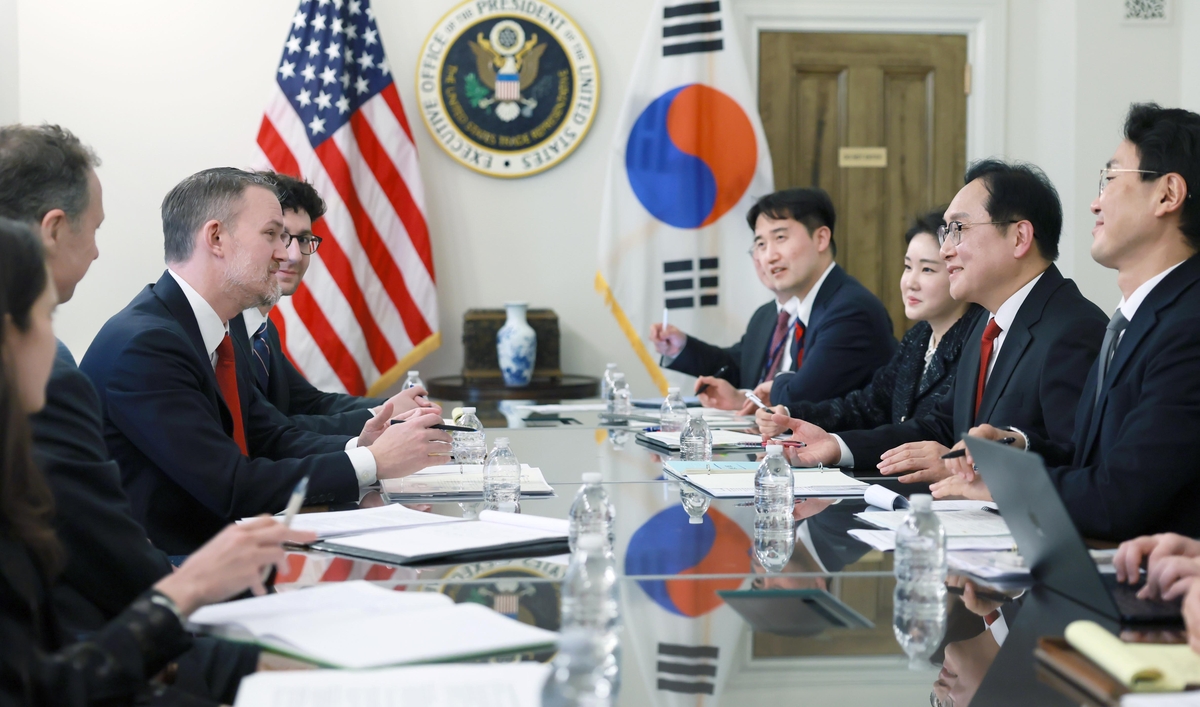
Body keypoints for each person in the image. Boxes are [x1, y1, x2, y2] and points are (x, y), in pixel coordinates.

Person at [0, 216, 316, 706]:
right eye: (46, 318)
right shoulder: (141, 341)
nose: (56, 345)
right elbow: (48, 688)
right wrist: (182, 592)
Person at [80, 168, 450, 554]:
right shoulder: (147, 345)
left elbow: (270, 436)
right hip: (164, 572)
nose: (285, 252)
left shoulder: (208, 330)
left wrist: (363, 444)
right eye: (272, 234)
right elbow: (231, 486)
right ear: (216, 238)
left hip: (223, 553)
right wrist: (373, 461)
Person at [942, 105, 1200, 541]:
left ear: (1167, 194)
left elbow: (1121, 496)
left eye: (1111, 178)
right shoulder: (1134, 320)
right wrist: (1015, 447)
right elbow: (1091, 460)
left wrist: (1008, 487)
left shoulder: (1188, 326)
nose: (1095, 202)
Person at [769, 160, 1107, 482]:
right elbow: (940, 428)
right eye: (946, 232)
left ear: (1019, 237)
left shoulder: (1073, 329)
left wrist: (972, 467)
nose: (946, 250)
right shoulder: (986, 323)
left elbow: (1077, 462)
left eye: (958, 229)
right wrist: (838, 446)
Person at [649, 188, 896, 413]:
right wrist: (682, 348)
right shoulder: (798, 308)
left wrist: (747, 398)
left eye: (780, 238)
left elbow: (803, 395)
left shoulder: (850, 309)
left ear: (821, 239)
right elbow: (742, 365)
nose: (769, 256)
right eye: (760, 244)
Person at [229, 172, 434, 436]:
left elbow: (310, 403)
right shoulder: (224, 330)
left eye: (303, 239)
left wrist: (394, 407)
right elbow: (264, 431)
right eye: (278, 236)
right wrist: (382, 417)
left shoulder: (262, 330)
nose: (291, 256)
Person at [756, 209, 983, 437]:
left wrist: (838, 447)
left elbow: (929, 433)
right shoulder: (919, 337)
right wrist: (789, 415)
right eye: (907, 267)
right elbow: (867, 406)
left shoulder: (975, 342)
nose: (910, 282)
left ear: (957, 272)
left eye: (927, 269)